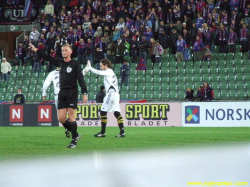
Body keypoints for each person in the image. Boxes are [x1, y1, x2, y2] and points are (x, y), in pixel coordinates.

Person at [29, 43, 88, 149]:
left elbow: (81, 79)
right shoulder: (60, 63)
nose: (63, 52)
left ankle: (74, 140)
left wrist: (85, 93)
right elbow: (47, 57)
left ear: (70, 52)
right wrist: (36, 50)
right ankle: (76, 134)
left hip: (72, 92)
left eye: (65, 50)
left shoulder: (75, 64)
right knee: (61, 119)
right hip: (62, 93)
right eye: (62, 50)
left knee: (71, 117)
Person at [85, 59, 125, 137]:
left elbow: (98, 72)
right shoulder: (111, 72)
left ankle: (102, 132)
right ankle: (122, 132)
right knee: (116, 112)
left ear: (105, 65)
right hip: (116, 94)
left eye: (101, 65)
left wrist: (89, 68)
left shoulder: (108, 71)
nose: (100, 67)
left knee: (103, 111)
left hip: (111, 94)